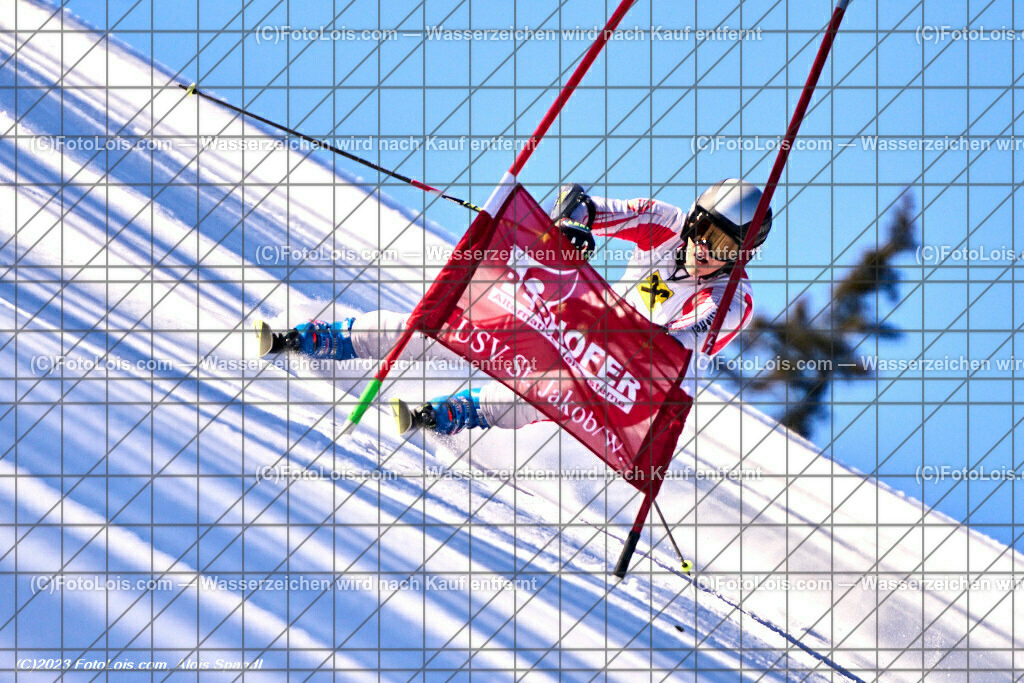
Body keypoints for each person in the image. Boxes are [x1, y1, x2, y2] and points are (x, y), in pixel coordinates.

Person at [266, 179, 772, 435]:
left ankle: (455, 414)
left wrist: (608, 329)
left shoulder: (733, 301)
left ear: (743, 255)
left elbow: (671, 353)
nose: (708, 252)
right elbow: (580, 203)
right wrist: (572, 228)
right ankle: (329, 338)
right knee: (465, 322)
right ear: (695, 221)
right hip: (583, 322)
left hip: (621, 372)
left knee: (556, 389)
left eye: (726, 249)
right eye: (706, 234)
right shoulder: (663, 221)